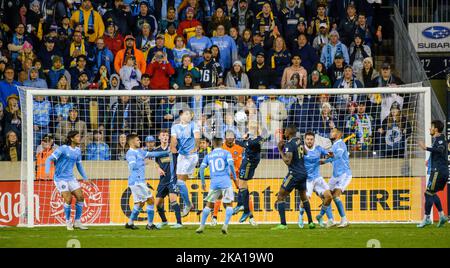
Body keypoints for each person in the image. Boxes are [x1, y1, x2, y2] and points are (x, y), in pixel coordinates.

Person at [271, 125, 314, 230]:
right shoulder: (299, 141)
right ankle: (311, 222)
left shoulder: (289, 144)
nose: (284, 132)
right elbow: (306, 152)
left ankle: (283, 224)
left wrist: (280, 150)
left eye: (285, 131)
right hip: (303, 173)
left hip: (294, 174)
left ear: (289, 132)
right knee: (304, 197)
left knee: (280, 196)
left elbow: (287, 161)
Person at [45, 130, 89, 231]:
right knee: (68, 199)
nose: (79, 138)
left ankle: (77, 222)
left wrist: (85, 177)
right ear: (71, 138)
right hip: (60, 178)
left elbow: (79, 165)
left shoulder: (78, 150)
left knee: (80, 197)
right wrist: (47, 172)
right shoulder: (63, 149)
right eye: (77, 136)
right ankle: (68, 222)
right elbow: (49, 159)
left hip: (70, 177)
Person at [124, 133, 170, 230]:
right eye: (137, 140)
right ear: (132, 142)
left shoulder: (140, 151)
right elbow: (132, 165)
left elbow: (154, 154)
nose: (139, 141)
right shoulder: (130, 153)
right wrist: (140, 164)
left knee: (140, 203)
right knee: (151, 200)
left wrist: (167, 152)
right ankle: (150, 225)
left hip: (137, 181)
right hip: (137, 181)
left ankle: (130, 223)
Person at [196, 137, 237, 234]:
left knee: (209, 205)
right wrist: (235, 177)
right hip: (225, 182)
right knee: (229, 204)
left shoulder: (209, 155)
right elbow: (231, 165)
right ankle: (225, 226)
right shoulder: (226, 153)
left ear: (212, 144)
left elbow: (201, 169)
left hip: (214, 183)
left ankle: (201, 226)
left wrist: (202, 182)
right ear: (222, 143)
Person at [233, 121, 266, 224]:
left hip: (248, 163)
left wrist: (238, 140)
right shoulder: (259, 138)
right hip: (250, 162)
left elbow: (242, 143)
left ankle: (246, 210)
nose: (248, 128)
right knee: (243, 184)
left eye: (250, 127)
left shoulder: (253, 142)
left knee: (242, 184)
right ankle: (240, 204)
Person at [417, 120, 449, 228]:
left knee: (428, 193)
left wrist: (426, 148)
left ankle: (426, 218)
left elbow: (440, 150)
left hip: (438, 171)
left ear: (435, 129)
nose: (429, 129)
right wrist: (429, 161)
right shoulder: (438, 139)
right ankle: (442, 216)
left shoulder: (440, 139)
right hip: (440, 170)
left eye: (431, 127)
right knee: (432, 193)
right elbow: (439, 153)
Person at [170, 109, 201, 217]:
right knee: (179, 182)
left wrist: (196, 146)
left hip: (191, 156)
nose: (189, 116)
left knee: (179, 182)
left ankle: (188, 204)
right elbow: (173, 139)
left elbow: (197, 136)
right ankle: (188, 204)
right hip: (181, 156)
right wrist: (173, 147)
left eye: (190, 115)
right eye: (187, 114)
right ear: (181, 115)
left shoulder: (193, 125)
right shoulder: (175, 127)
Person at [302, 132, 335, 228]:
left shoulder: (318, 149)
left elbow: (330, 155)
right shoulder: (301, 150)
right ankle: (301, 217)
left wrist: (328, 157)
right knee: (305, 201)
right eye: (308, 139)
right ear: (305, 140)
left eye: (311, 139)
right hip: (307, 180)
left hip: (317, 178)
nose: (309, 141)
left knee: (328, 197)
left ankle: (321, 217)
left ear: (314, 140)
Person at [152, 129, 184, 229]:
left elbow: (182, 155)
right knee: (157, 204)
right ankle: (164, 221)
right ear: (159, 137)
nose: (165, 137)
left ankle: (179, 223)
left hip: (173, 179)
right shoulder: (156, 151)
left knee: (173, 199)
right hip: (163, 180)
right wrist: (158, 168)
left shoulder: (173, 148)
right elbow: (154, 162)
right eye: (163, 135)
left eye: (166, 135)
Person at [322, 128, 352, 228]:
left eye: (333, 131)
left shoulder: (340, 144)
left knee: (335, 196)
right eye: (331, 131)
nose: (331, 133)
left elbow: (337, 156)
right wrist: (324, 159)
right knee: (326, 196)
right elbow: (332, 159)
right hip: (335, 176)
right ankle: (331, 220)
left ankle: (344, 220)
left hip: (344, 174)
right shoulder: (334, 145)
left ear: (339, 134)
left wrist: (324, 159)